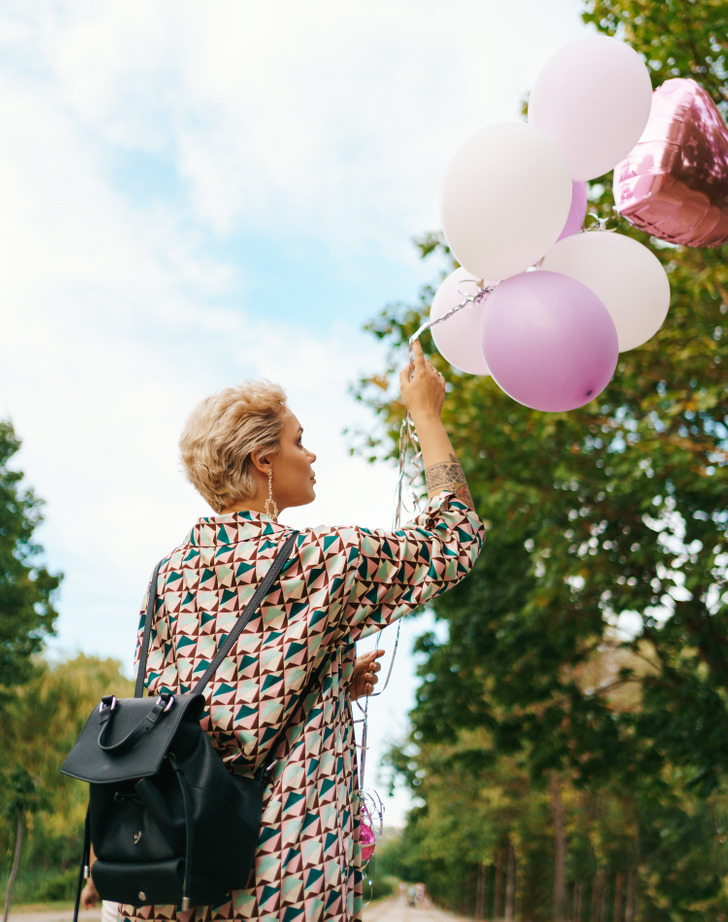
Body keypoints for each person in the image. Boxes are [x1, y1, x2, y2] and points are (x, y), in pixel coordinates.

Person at [90, 341, 484, 922]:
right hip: (288, 863)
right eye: (299, 440)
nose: (312, 454)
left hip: (184, 862)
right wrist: (426, 414)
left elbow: (182, 713)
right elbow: (455, 538)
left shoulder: (168, 574)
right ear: (263, 461)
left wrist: (325, 678)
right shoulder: (324, 558)